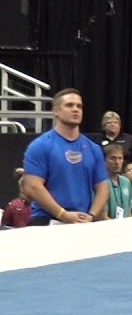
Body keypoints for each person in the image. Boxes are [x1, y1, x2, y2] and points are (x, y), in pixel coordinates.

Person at [20, 88, 109, 225]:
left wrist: (91, 215)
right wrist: (62, 214)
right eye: (69, 105)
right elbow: (33, 187)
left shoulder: (93, 149)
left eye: (79, 106)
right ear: (55, 111)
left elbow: (103, 186)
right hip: (47, 220)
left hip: (82, 221)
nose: (75, 109)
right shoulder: (39, 146)